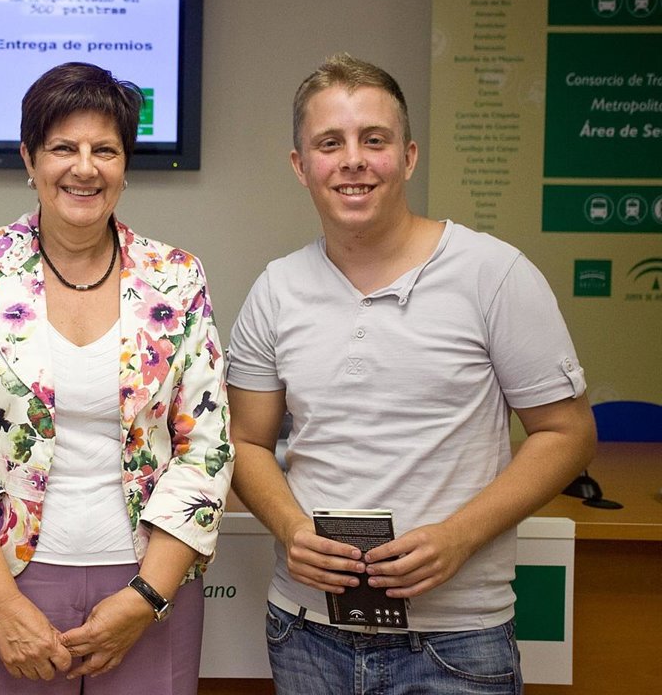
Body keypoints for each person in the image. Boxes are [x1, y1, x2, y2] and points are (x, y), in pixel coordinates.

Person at [227, 53, 596, 694]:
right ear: (300, 165)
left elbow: (568, 434)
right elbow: (246, 441)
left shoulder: (494, 274)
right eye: (329, 143)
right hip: (306, 632)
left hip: (457, 639)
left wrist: (458, 537)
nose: (353, 160)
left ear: (408, 156)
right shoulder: (276, 289)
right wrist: (290, 528)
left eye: (375, 140)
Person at [0, 62, 233, 694]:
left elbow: (207, 447)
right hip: (3, 579)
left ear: (125, 164)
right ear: (29, 158)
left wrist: (145, 597)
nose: (84, 168)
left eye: (104, 151)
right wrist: (1, 605)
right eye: (63, 147)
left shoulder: (176, 276)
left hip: (149, 580)